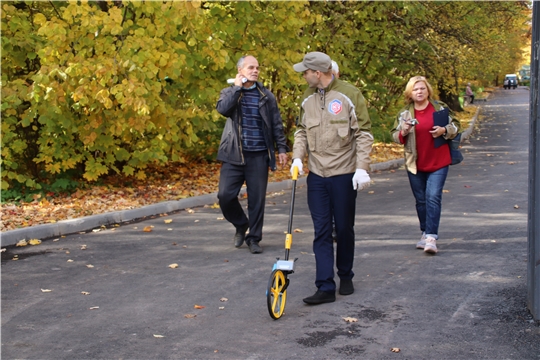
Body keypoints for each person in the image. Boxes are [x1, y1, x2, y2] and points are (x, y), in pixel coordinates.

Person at [291, 51, 373, 305]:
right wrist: (297, 157)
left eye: (306, 71)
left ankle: (345, 275)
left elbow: (363, 134)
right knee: (322, 231)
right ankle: (325, 286)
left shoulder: (350, 94)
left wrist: (362, 167)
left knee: (345, 228)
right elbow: (302, 131)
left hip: (344, 174)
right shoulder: (307, 97)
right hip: (317, 176)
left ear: (318, 73)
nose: (303, 76)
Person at [216, 55, 289, 254]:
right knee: (225, 195)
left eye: (257, 67)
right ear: (240, 71)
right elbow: (223, 109)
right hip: (233, 154)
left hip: (258, 156)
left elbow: (276, 124)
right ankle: (241, 223)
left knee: (257, 200)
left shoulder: (266, 96)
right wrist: (237, 88)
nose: (255, 71)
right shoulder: (229, 92)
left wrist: (281, 148)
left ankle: (254, 238)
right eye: (250, 67)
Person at [391, 76, 461, 255]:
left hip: (439, 161)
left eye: (422, 88)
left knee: (433, 197)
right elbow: (394, 135)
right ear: (410, 93)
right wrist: (404, 131)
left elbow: (455, 126)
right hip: (415, 163)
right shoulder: (405, 113)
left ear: (428, 90)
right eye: (415, 89)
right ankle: (424, 232)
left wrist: (444, 130)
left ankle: (431, 237)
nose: (419, 92)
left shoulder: (439, 108)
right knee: (421, 201)